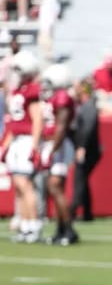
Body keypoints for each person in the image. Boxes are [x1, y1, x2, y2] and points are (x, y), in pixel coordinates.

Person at [3, 51, 44, 243]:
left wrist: (34, 146)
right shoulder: (17, 91)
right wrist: (5, 146)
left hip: (27, 140)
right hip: (17, 140)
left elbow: (37, 120)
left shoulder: (32, 91)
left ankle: (33, 225)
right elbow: (13, 124)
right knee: (19, 186)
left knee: (25, 185)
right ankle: (25, 225)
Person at [40, 63, 78, 245]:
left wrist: (52, 151)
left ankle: (68, 230)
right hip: (53, 144)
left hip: (60, 145)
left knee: (56, 187)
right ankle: (60, 229)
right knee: (54, 189)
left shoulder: (63, 97)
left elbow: (61, 127)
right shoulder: (54, 96)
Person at [71, 79, 101, 222]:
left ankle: (72, 210)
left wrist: (82, 146)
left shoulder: (88, 106)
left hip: (88, 150)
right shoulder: (83, 105)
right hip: (85, 148)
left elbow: (88, 128)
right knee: (82, 179)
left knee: (80, 179)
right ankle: (87, 213)